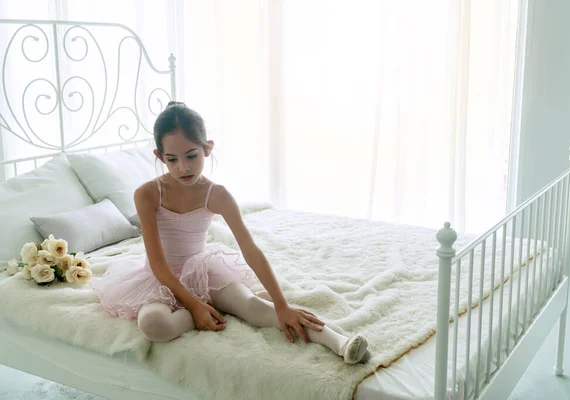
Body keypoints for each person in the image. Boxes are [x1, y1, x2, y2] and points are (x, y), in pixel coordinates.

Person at [92, 101, 369, 364]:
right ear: (159, 156)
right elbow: (158, 263)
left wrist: (282, 304)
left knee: (255, 308)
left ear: (207, 148)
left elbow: (251, 251)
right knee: (154, 325)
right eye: (172, 159)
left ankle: (340, 342)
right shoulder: (147, 194)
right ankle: (209, 307)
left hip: (203, 272)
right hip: (159, 278)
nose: (183, 167)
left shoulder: (218, 195)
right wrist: (194, 306)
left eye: (191, 156)